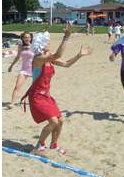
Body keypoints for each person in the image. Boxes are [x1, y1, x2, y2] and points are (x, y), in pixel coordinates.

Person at [21, 23, 92, 155]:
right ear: (41, 45)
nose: (48, 44)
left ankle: (54, 145)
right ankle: (40, 145)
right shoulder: (38, 59)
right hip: (37, 97)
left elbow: (66, 64)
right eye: (46, 42)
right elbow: (58, 55)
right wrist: (66, 36)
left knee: (60, 121)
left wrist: (79, 55)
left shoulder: (49, 58)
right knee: (53, 121)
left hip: (46, 96)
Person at [8, 32, 35, 108]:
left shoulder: (34, 46)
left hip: (34, 69)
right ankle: (12, 103)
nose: (27, 39)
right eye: (25, 37)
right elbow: (17, 57)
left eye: (28, 37)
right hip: (24, 70)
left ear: (31, 38)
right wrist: (11, 66)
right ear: (22, 38)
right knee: (17, 86)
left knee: (38, 87)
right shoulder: (21, 46)